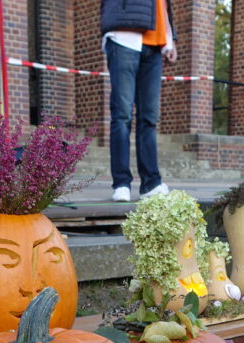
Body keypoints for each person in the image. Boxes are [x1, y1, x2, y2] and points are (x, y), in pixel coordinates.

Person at [101, 0, 176, 202]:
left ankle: (151, 183)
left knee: (149, 118)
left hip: (156, 43)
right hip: (124, 36)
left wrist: (169, 38)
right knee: (122, 115)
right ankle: (121, 183)